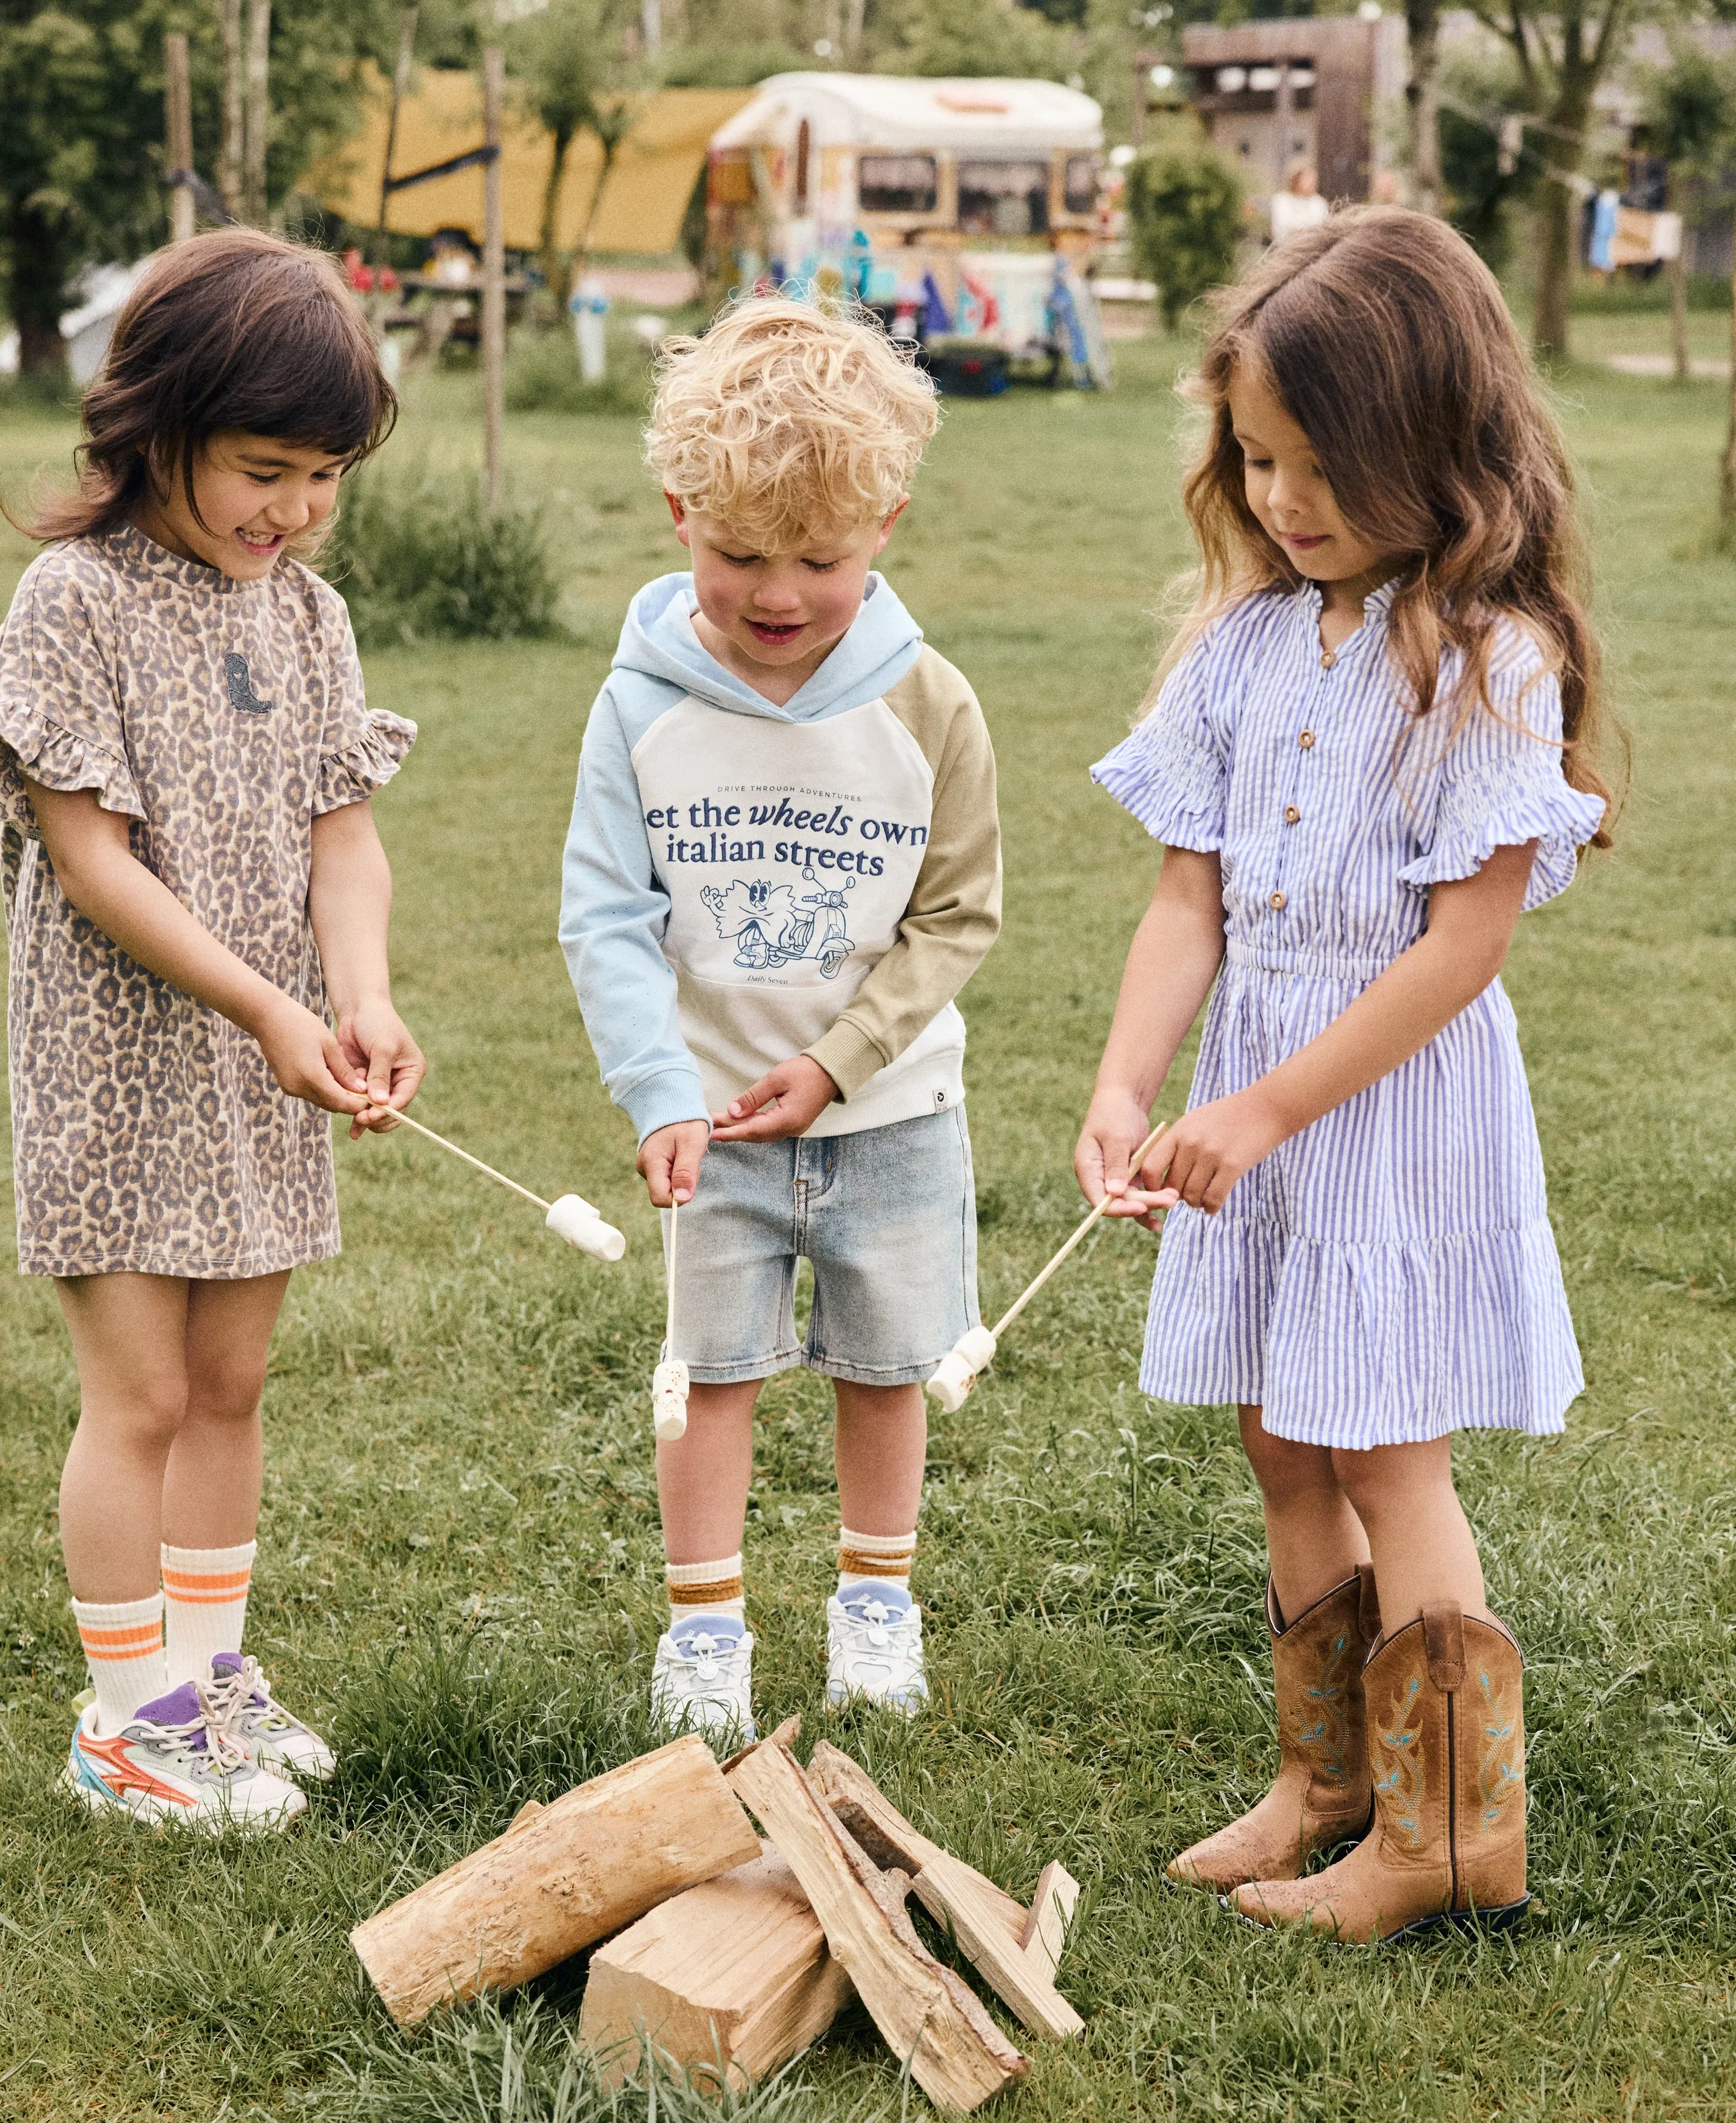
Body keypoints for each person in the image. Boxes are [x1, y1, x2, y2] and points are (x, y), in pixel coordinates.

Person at [1076, 208, 1616, 1943]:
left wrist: (1267, 1107)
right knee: (1282, 1436)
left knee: (1388, 1452)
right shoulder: (1245, 645)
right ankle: (1330, 1781)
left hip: (1391, 1106)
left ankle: (1452, 1834)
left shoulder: (1486, 662)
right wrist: (1128, 1079)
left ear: (1434, 448)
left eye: (1322, 465)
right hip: (1260, 1100)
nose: (1286, 500)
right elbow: (1190, 896)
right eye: (1256, 461)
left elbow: (1463, 949)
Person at [0, 230, 425, 1828]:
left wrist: (358, 996)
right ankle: (125, 1721)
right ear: (153, 423)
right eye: (264, 467)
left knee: (233, 1378)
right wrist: (263, 1001)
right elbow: (86, 850)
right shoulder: (72, 601)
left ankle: (207, 1673)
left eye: (325, 475)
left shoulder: (305, 616)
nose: (295, 509)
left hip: (263, 1064)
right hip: (118, 1064)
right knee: (146, 1395)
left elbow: (343, 835)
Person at [561, 295, 1001, 1740]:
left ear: (887, 521)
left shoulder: (932, 706)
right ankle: (705, 1630)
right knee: (709, 1375)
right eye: (740, 553)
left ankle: (876, 1602)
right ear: (679, 509)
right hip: (713, 1130)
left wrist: (838, 1061)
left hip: (892, 1114)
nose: (778, 591)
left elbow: (953, 917)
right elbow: (607, 915)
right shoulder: (636, 708)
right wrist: (659, 1092)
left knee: (886, 1368)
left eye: (818, 556)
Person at [1269, 163, 1329, 244]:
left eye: (1314, 180)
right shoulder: (1282, 201)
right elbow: (1281, 228)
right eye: (1307, 179)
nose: (1312, 183)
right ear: (1296, 180)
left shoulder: (1319, 203)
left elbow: (1322, 228)